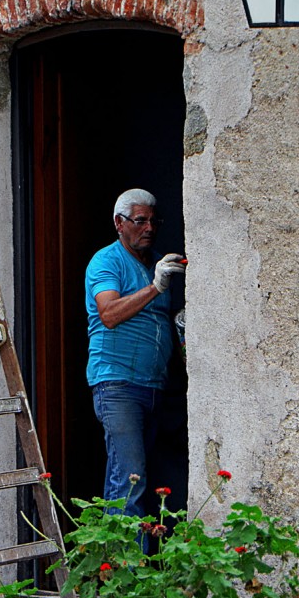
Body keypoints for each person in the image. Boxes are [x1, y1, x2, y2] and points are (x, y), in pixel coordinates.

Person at [85, 189, 186, 521]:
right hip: (118, 386)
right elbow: (109, 314)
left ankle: (135, 568)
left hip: (154, 386)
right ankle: (119, 569)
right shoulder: (107, 261)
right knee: (129, 482)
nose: (149, 228)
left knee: (147, 482)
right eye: (140, 221)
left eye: (153, 221)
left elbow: (158, 322)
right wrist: (156, 287)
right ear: (119, 223)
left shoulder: (154, 263)